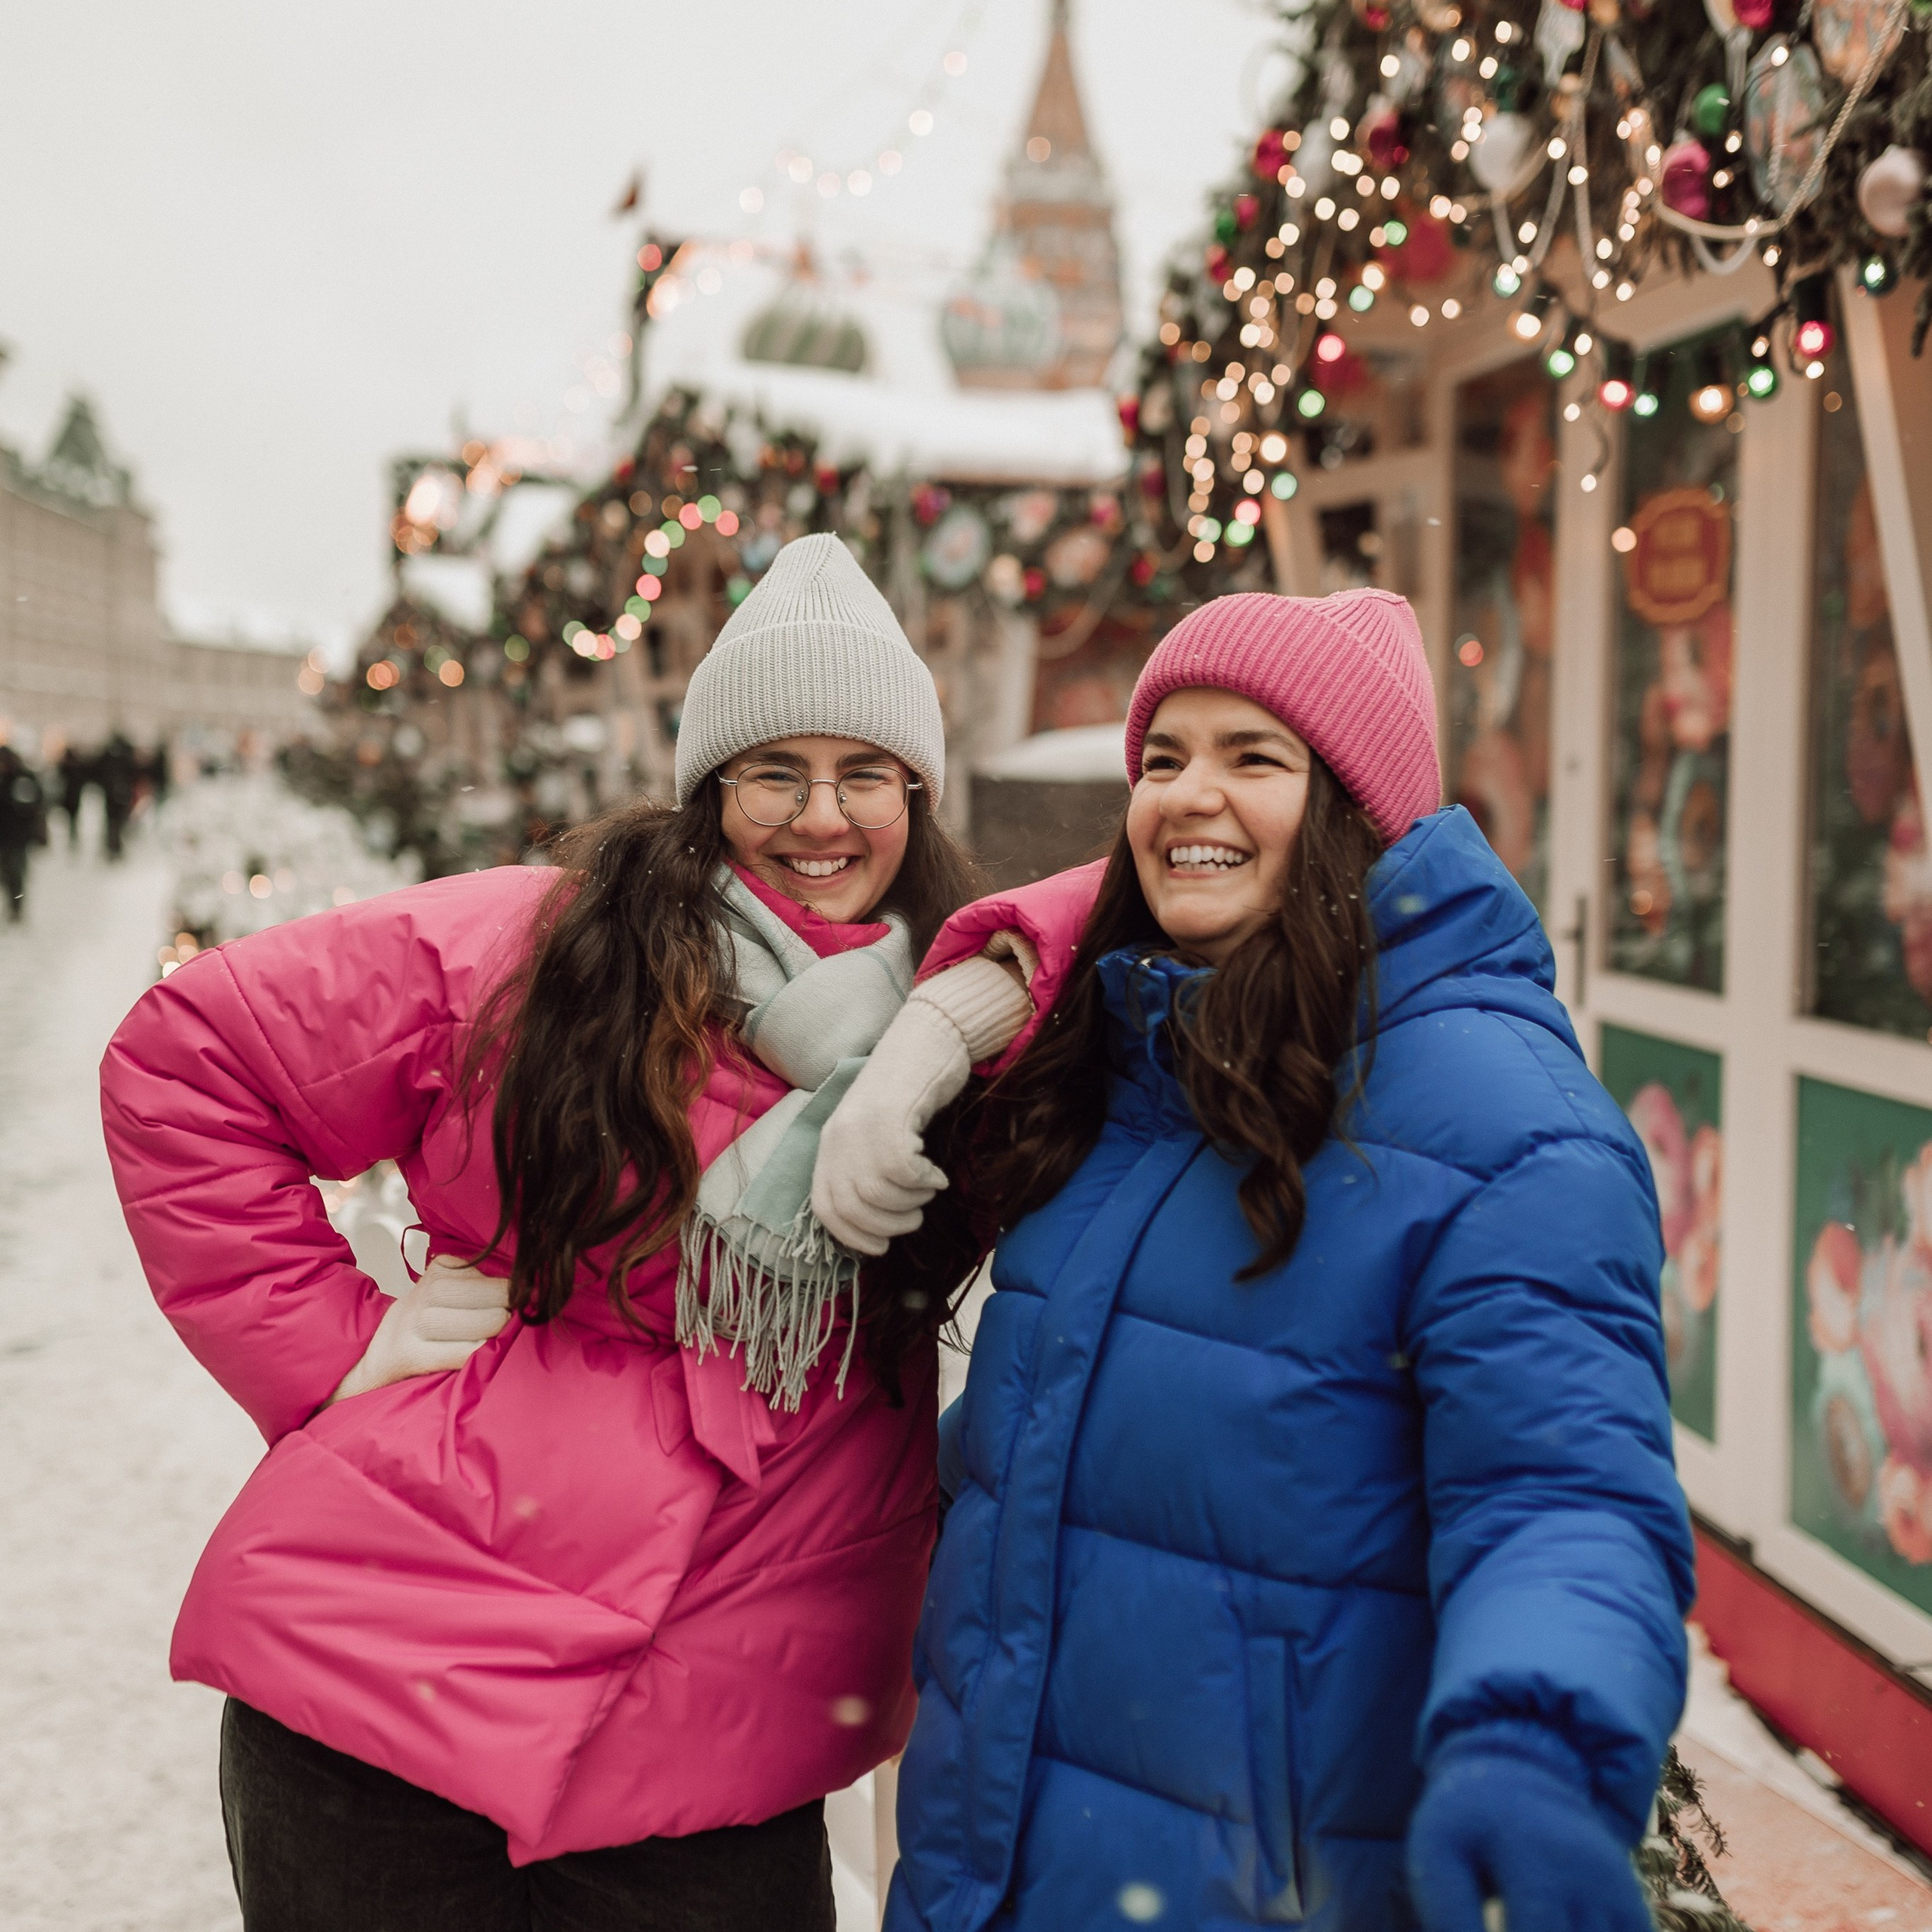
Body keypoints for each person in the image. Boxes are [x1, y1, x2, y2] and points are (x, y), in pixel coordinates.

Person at [99, 535, 1031, 1932]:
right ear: (711, 787)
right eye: (776, 769)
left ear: (919, 792)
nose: (821, 816)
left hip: (709, 1780)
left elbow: (1145, 916)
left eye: (867, 773)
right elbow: (188, 1061)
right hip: (377, 1715)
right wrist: (333, 1347)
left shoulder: (969, 1023)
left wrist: (977, 997)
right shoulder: (537, 953)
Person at [813, 588, 1694, 1931]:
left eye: (1253, 756)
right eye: (1162, 760)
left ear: (1358, 811)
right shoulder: (1134, 1070)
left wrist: (1537, 1749)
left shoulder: (1506, 1131)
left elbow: (1563, 1499)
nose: (1187, 797)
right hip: (993, 1875)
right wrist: (939, 1021)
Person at [0, 743, 45, 921]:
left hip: (17, 837)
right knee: (7, 874)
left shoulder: (22, 779)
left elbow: (33, 805)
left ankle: (16, 906)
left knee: (15, 873)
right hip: (8, 836)